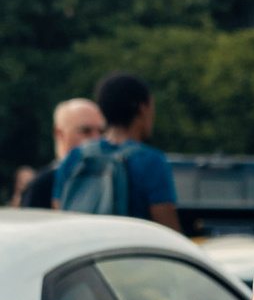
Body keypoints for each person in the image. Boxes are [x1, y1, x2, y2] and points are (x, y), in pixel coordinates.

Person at [52, 74, 182, 229]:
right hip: (128, 250)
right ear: (143, 109)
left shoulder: (76, 157)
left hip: (84, 249)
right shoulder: (151, 161)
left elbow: (59, 212)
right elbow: (168, 231)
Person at [12, 97, 107, 210]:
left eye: (101, 131)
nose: (96, 138)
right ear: (59, 133)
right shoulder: (42, 186)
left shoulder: (112, 178)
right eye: (85, 131)